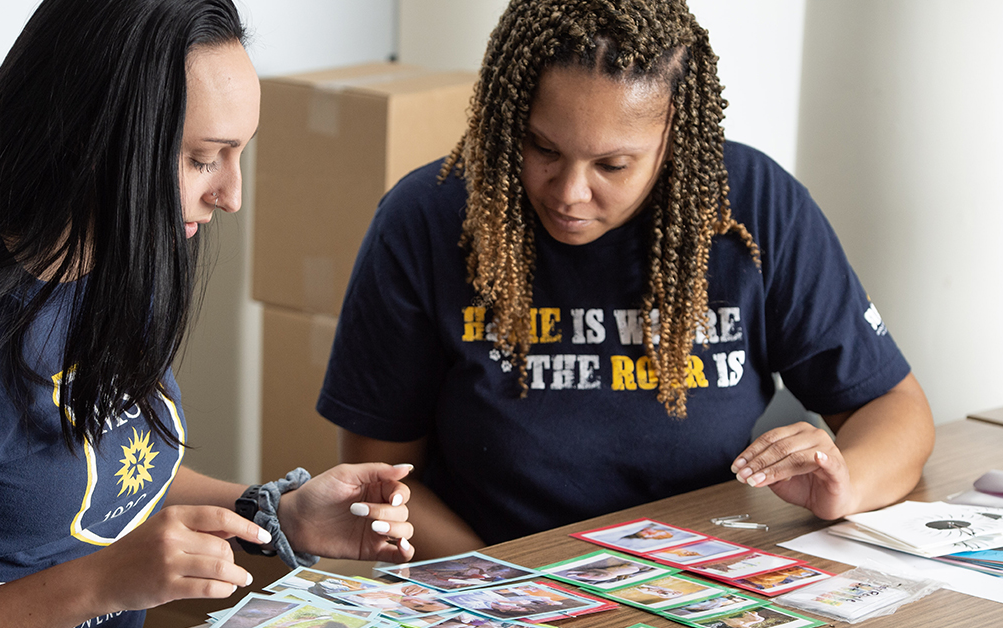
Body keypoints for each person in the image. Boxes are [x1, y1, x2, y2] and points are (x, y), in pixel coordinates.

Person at [0, 1, 415, 627]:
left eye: (238, 154)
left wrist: (276, 512)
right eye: (200, 158)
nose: (231, 195)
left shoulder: (110, 275)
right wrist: (100, 583)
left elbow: (102, 475)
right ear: (97, 137)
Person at [318, 0, 935, 560]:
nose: (569, 192)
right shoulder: (425, 220)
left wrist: (845, 480)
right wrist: (510, 589)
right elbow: (382, 483)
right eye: (542, 148)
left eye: (612, 164)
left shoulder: (754, 205)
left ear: (674, 138)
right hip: (496, 582)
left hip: (703, 580)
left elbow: (893, 408)